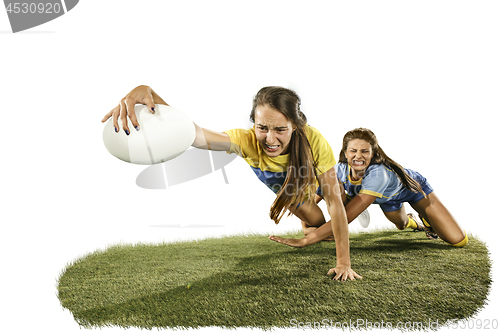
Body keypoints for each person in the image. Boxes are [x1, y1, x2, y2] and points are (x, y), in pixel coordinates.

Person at [101, 85, 362, 281]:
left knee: (335, 201)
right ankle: (313, 212)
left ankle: (350, 190)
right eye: (262, 128)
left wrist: (344, 263)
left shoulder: (313, 140)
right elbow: (195, 135)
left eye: (280, 130)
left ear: (294, 125)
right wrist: (149, 93)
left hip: (313, 173)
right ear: (254, 124)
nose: (270, 139)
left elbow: (335, 205)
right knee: (314, 222)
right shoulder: (246, 140)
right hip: (292, 187)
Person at [269, 127, 468, 248]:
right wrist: (307, 225)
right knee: (400, 224)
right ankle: (414, 222)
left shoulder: (378, 174)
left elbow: (346, 217)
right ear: (345, 153)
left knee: (458, 240)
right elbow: (312, 200)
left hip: (413, 190)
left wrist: (307, 239)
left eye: (365, 151)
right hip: (387, 200)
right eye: (353, 151)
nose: (359, 156)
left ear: (373, 153)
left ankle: (427, 216)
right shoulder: (338, 170)